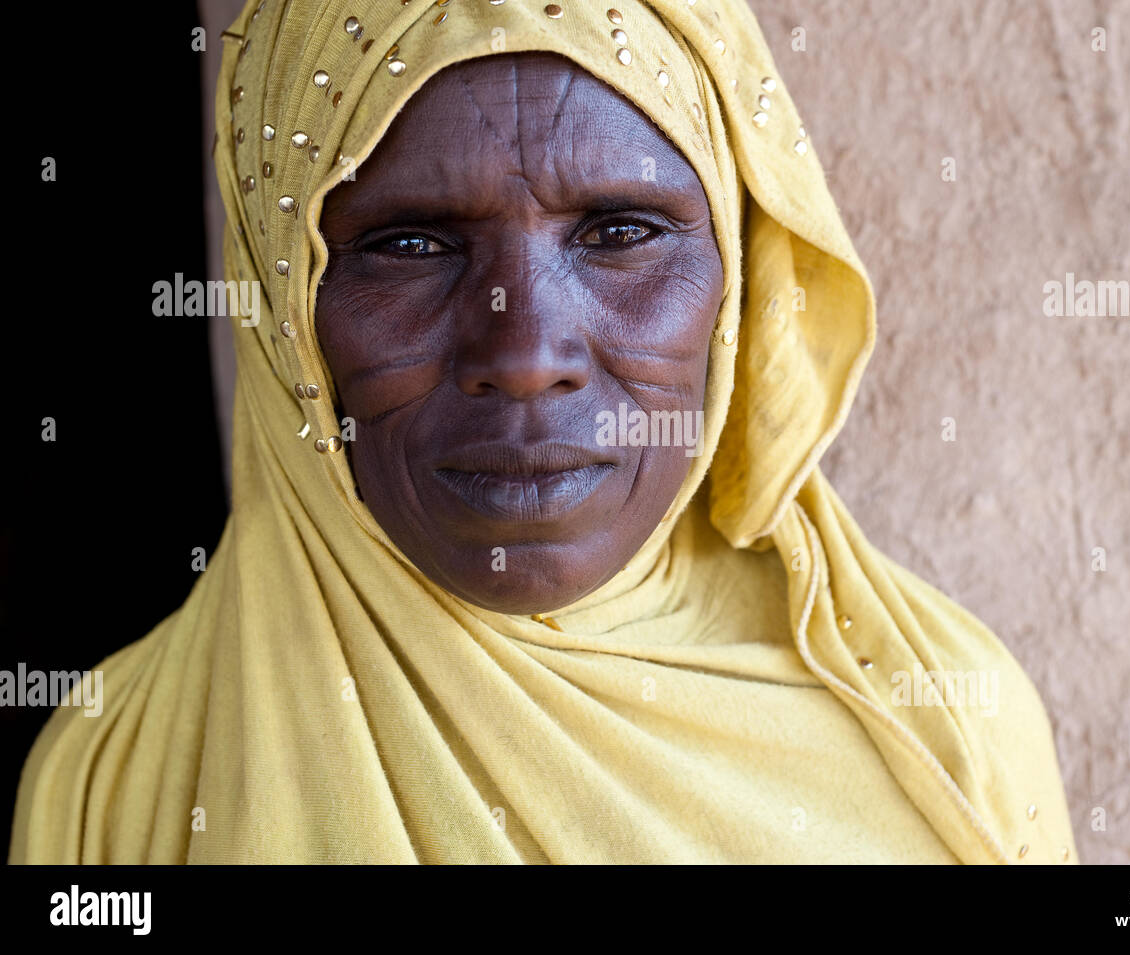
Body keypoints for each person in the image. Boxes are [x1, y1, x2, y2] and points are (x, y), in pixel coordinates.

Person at [9, 0, 1076, 864]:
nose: (522, 354)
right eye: (411, 243)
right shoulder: (120, 783)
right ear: (285, 315)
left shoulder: (940, 732)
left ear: (739, 288)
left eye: (621, 233)